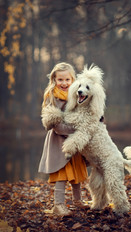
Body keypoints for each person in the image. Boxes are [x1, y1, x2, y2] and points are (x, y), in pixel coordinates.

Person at [38, 62, 88, 216]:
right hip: (59, 142)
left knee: (76, 171)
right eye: (60, 80)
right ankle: (58, 205)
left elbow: (86, 113)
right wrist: (77, 129)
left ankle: (77, 200)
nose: (64, 83)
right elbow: (56, 126)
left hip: (74, 142)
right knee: (62, 172)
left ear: (73, 80)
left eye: (67, 80)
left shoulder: (78, 95)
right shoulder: (51, 97)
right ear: (54, 80)